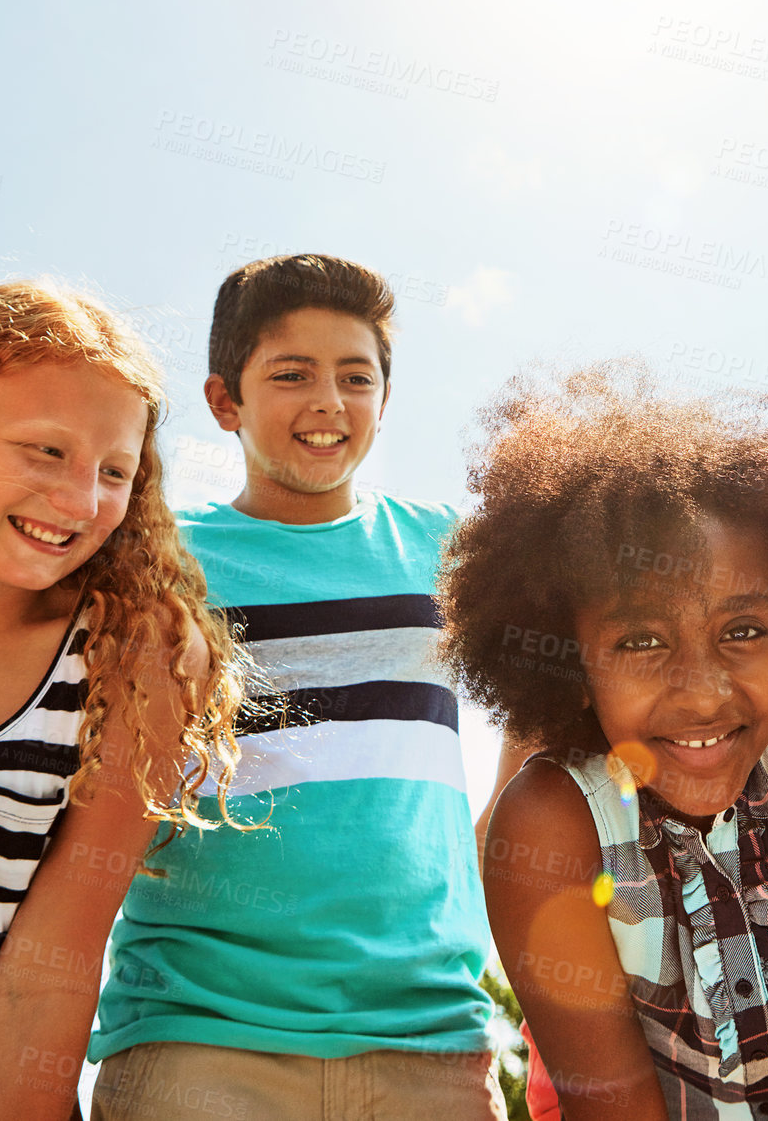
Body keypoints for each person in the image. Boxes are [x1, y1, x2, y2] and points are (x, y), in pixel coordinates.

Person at [439, 364, 768, 1120]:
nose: (702, 691)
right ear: (570, 660)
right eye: (640, 639)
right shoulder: (548, 822)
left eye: (742, 630)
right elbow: (613, 1105)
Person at [91, 254, 506, 1121]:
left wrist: (481, 849)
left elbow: (556, 696)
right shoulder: (159, 556)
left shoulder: (454, 553)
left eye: (356, 377)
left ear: (383, 403)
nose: (328, 401)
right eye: (291, 374)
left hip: (429, 1040)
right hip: (198, 1036)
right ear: (224, 401)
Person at [0, 281, 243, 1121]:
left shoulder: (131, 667)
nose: (81, 501)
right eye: (44, 451)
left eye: (115, 471)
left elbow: (49, 970)